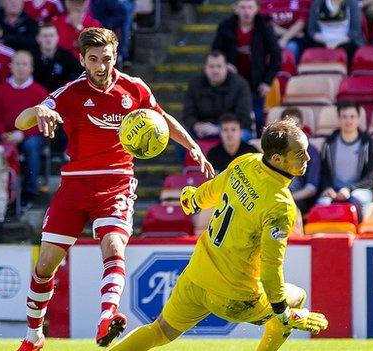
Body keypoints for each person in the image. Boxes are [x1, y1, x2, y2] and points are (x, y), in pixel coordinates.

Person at [13, 27, 214, 351]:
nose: (101, 65)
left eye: (106, 58)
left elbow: (161, 119)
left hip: (116, 181)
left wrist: (192, 146)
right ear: (82, 59)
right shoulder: (69, 93)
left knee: (113, 245)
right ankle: (33, 335)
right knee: (46, 263)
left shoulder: (134, 88)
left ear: (115, 56)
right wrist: (38, 110)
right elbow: (20, 122)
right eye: (93, 59)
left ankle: (107, 317)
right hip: (76, 183)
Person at [109, 120, 328, 351]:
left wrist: (193, 200)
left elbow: (214, 188)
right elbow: (271, 265)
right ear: (277, 160)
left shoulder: (246, 162)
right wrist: (281, 311)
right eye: (299, 153)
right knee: (295, 297)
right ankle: (283, 320)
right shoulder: (281, 204)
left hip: (197, 277)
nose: (308, 158)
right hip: (235, 297)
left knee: (159, 331)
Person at [212, 0, 281, 137]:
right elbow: (215, 51)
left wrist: (267, 82)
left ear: (256, 9)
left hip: (257, 81)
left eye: (250, 7)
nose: (246, 11)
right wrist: (224, 65)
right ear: (236, 9)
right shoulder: (226, 26)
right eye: (242, 7)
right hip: (231, 81)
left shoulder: (265, 26)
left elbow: (276, 57)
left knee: (258, 118)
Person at [0, 51, 49, 208]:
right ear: (11, 67)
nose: (21, 68)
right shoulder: (1, 91)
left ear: (31, 68)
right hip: (5, 134)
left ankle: (29, 193)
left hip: (30, 136)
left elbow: (42, 121)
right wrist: (3, 134)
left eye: (24, 64)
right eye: (17, 64)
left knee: (31, 147)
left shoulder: (40, 92)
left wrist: (22, 134)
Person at [318, 101, 373, 217]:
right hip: (333, 191)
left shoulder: (369, 143)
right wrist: (327, 188)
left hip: (360, 190)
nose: (348, 121)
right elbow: (323, 172)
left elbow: (371, 177)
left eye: (352, 117)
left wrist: (349, 189)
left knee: (356, 204)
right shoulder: (329, 143)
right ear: (339, 119)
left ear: (358, 119)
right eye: (344, 117)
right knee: (321, 205)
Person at [182, 51, 253, 141]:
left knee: (242, 137)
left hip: (232, 129)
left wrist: (219, 129)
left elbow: (244, 118)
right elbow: (188, 113)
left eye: (219, 66)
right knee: (181, 139)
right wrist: (196, 126)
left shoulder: (240, 85)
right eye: (211, 66)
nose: (215, 70)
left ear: (226, 67)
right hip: (202, 129)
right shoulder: (195, 85)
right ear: (205, 68)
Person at [280, 108, 320, 213]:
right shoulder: (274, 150)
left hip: (298, 200)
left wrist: (287, 199)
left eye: (296, 125)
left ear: (302, 126)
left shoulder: (311, 152)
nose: (293, 130)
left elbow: (311, 189)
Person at [307, 0, 364, 66]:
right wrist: (326, 42)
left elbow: (355, 31)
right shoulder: (317, 3)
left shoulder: (352, 3)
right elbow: (312, 31)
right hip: (322, 41)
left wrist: (336, 43)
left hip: (346, 41)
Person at [32, 23, 82, 93]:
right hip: (37, 96)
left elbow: (80, 74)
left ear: (57, 38)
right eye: (45, 36)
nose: (48, 39)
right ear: (38, 38)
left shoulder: (67, 57)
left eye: (51, 35)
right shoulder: (31, 58)